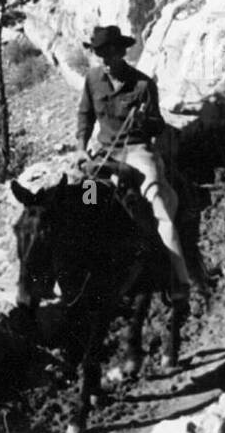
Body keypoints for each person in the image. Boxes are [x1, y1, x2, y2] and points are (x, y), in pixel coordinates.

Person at [75, 24, 192, 300]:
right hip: (105, 153)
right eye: (98, 54)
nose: (102, 60)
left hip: (138, 151)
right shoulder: (92, 80)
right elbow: (85, 117)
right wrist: (81, 149)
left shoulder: (142, 84)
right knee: (88, 200)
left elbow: (157, 126)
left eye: (107, 53)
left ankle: (180, 278)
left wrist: (144, 121)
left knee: (158, 203)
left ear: (120, 52)